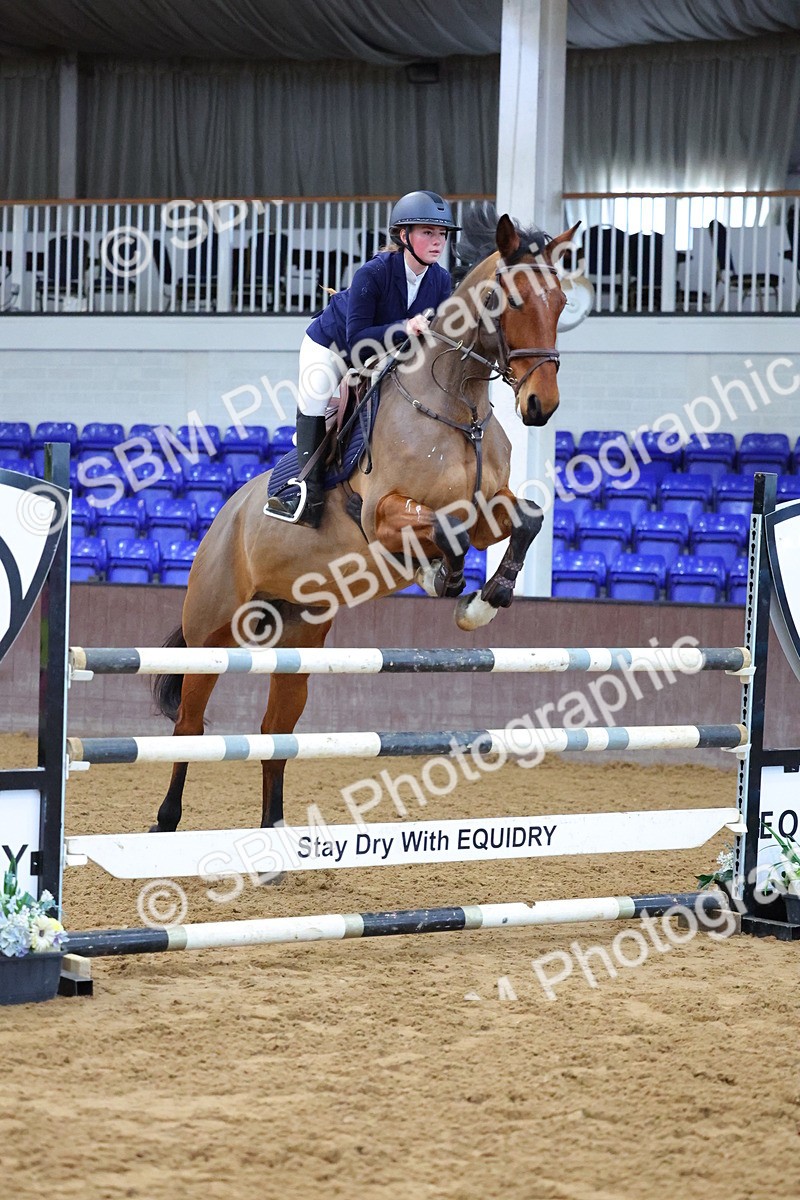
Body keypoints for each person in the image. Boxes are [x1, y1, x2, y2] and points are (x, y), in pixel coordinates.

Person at [266, 190, 459, 527]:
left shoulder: (441, 281)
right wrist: (404, 327)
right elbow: (357, 340)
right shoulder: (372, 273)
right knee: (314, 400)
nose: (437, 241)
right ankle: (305, 493)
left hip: (388, 356)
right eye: (427, 232)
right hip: (334, 347)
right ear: (404, 236)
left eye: (441, 233)